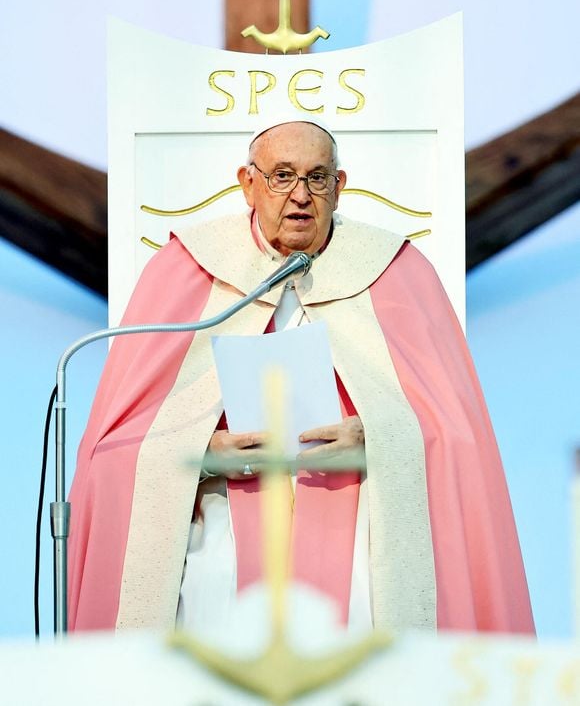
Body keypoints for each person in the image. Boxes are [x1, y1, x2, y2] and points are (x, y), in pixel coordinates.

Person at [67, 119, 534, 635]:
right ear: (248, 183)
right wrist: (202, 452)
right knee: (213, 598)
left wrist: (374, 433)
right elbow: (112, 449)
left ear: (339, 188)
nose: (300, 195)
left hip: (359, 522)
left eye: (317, 178)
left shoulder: (397, 271)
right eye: (281, 176)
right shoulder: (186, 270)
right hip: (222, 520)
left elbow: (460, 438)